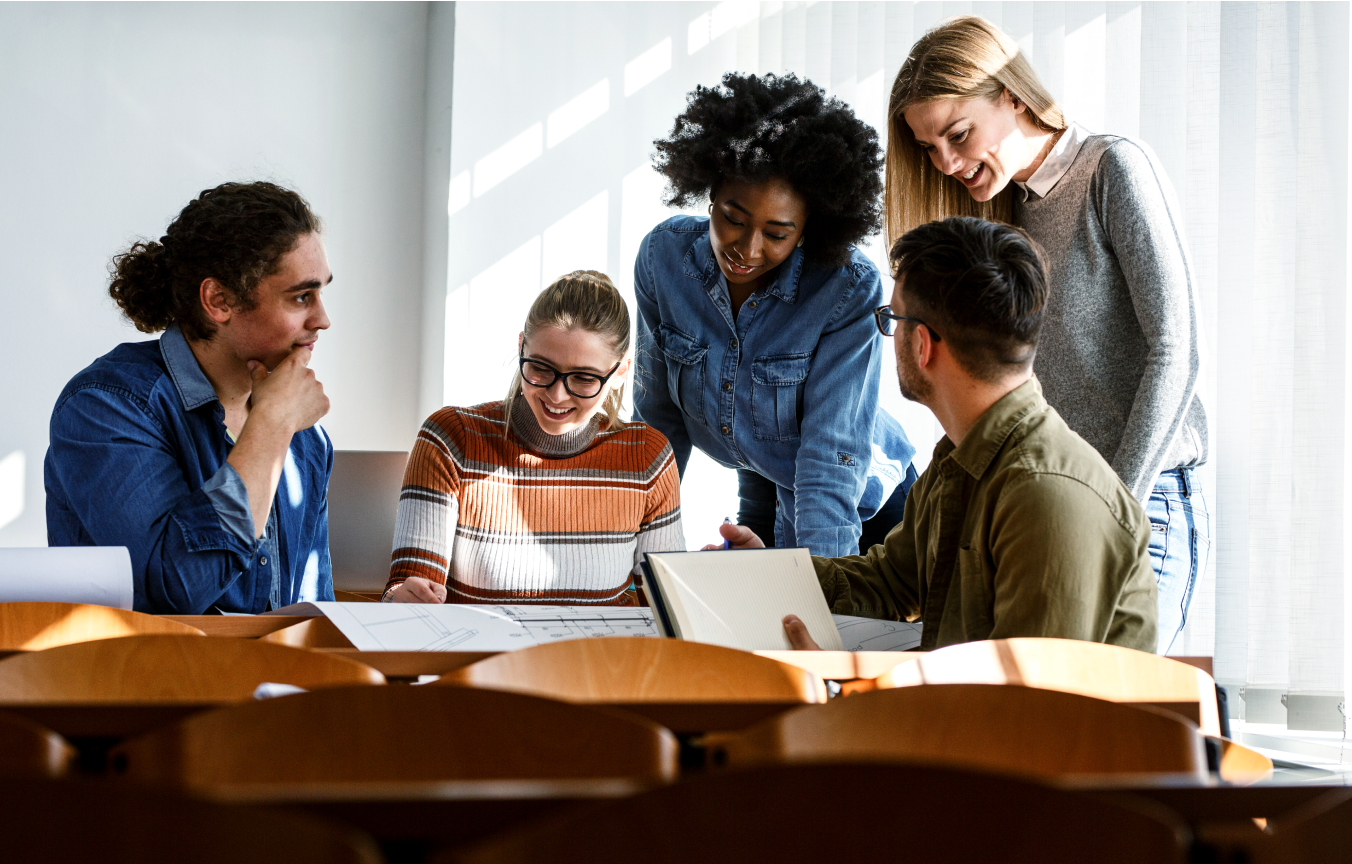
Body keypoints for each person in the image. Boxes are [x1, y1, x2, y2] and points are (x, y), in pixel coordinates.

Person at [882, 16, 1207, 654]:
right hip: (1044, 505)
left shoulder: (1113, 169)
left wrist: (1115, 506)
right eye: (928, 148)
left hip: (1142, 497)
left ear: (1010, 94)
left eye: (958, 134)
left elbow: (1177, 351)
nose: (946, 162)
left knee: (1088, 715)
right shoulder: (1002, 210)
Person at [717, 217, 1158, 654]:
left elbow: (1024, 711)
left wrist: (845, 692)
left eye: (890, 319)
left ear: (922, 344)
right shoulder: (960, 460)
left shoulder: (1046, 496)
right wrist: (771, 576)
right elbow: (891, 583)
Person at [634, 72, 916, 558]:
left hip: (860, 511)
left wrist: (823, 594)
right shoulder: (665, 258)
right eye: (733, 218)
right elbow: (658, 423)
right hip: (763, 481)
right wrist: (640, 549)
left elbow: (828, 461)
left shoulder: (847, 289)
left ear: (809, 228)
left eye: (777, 233)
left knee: (815, 622)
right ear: (711, 192)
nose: (746, 248)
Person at [46, 182, 334, 614]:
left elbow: (311, 613)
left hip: (270, 679)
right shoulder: (106, 406)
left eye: (321, 293)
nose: (323, 319)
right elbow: (176, 590)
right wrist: (271, 427)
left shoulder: (307, 439)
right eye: (300, 296)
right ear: (218, 300)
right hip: (144, 678)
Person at [384, 271, 682, 605]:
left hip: (601, 658)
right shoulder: (452, 439)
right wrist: (402, 600)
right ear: (521, 346)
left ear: (620, 372)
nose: (556, 395)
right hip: (481, 657)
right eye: (540, 368)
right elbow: (405, 592)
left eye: (584, 378)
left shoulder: (647, 458)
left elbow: (666, 609)